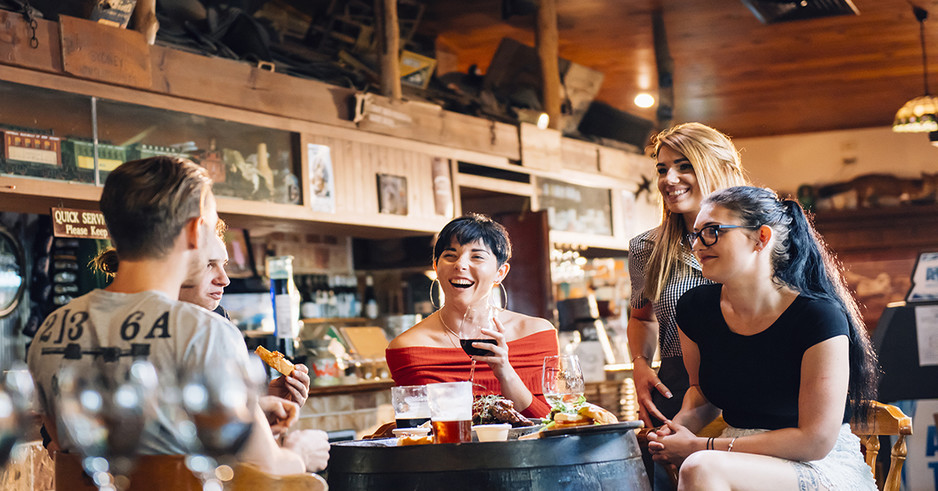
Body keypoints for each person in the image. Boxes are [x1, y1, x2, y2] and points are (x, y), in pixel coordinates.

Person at [28, 156, 328, 475]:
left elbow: (81, 455)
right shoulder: (207, 332)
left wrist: (248, 411)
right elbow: (262, 470)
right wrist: (299, 453)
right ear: (196, 231)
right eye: (211, 226)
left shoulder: (50, 332)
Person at [646, 186, 878, 490]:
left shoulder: (818, 317)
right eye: (696, 234)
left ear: (762, 238)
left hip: (816, 463)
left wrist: (700, 446)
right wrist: (678, 431)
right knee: (699, 467)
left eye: (713, 231)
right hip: (733, 456)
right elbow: (702, 393)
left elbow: (815, 441)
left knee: (700, 468)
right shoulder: (695, 308)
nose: (699, 245)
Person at [92, 221, 312, 409]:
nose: (224, 279)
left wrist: (266, 397)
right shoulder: (135, 324)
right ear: (174, 266)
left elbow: (224, 413)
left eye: (223, 265)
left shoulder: (217, 320)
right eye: (209, 265)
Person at [627, 122, 748, 428]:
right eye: (662, 169)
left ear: (719, 169)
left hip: (752, 382)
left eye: (685, 166)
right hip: (677, 390)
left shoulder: (757, 238)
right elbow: (642, 318)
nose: (669, 179)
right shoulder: (646, 247)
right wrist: (639, 364)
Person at [386, 214, 558, 418]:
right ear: (436, 267)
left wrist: (505, 371)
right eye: (450, 255)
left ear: (500, 273)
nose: (460, 265)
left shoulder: (537, 335)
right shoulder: (408, 348)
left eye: (477, 256)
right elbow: (417, 431)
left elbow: (550, 422)